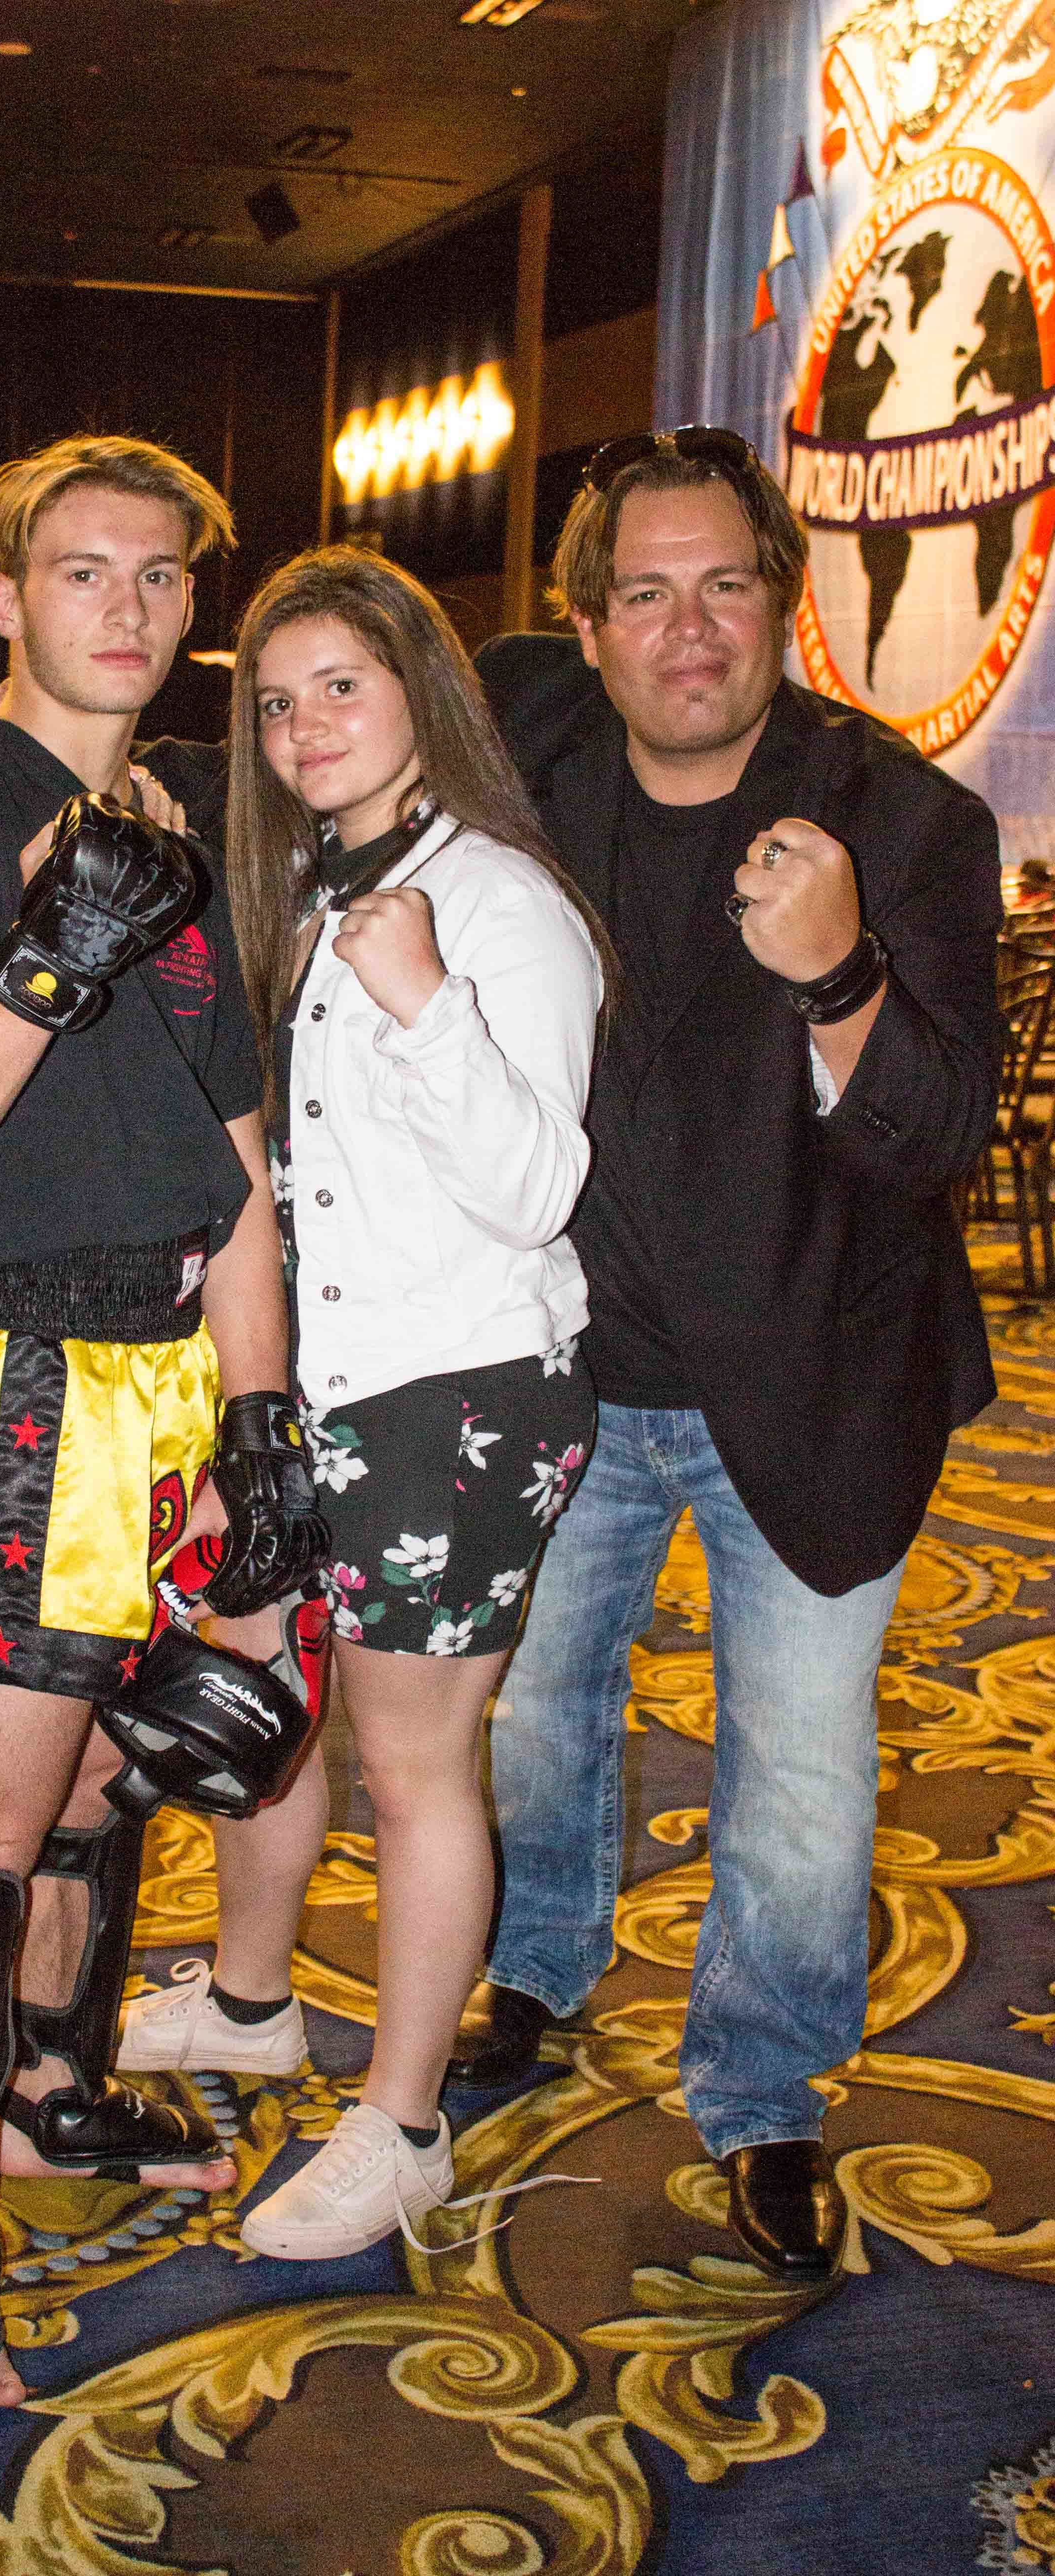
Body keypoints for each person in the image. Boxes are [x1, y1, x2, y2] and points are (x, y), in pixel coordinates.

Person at [445, 427, 1000, 2282]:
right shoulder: (529, 769)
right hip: (576, 1370)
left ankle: (765, 2086)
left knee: (801, 1780)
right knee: (531, 1718)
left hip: (817, 1373)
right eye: (649, 595)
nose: (691, 634)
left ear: (787, 608)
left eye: (730, 589)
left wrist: (840, 975)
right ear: (588, 629)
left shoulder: (907, 825)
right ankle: (533, 1966)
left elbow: (936, 1142)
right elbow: (320, 716)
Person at [0, 435, 325, 2414]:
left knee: (126, 1787)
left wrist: (265, 1423)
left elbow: (240, 1168)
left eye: (159, 576)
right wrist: (47, 963)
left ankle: (41, 2092)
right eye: (81, 570)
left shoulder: (174, 822)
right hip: (11, 1378)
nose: (124, 605)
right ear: (5, 598)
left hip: (177, 1373)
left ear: (192, 607)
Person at [114, 545, 601, 2263]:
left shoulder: (500, 907)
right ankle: (252, 2006)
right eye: (278, 697)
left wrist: (426, 1005)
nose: (307, 723)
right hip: (319, 1378)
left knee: (413, 1764)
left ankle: (400, 2128)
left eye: (344, 685)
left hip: (453, 1391)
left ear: (422, 694)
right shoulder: (309, 879)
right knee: (267, 1698)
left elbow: (539, 1184)